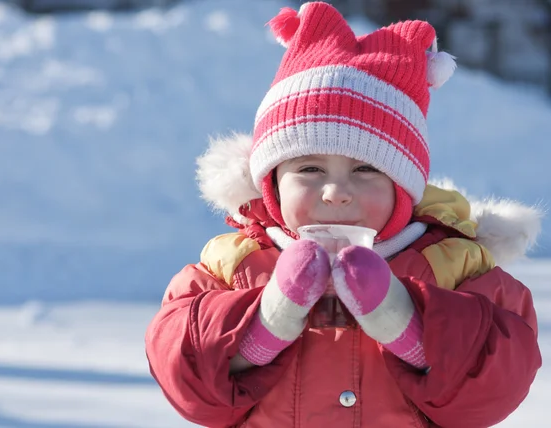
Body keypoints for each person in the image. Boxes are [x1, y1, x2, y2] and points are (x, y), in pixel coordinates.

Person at [146, 2, 542, 427]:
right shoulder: (234, 262)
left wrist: (401, 320)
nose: (335, 193)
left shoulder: (452, 263)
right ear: (272, 182)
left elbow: (495, 382)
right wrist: (268, 322)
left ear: (404, 187)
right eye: (310, 169)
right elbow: (186, 376)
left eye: (366, 170)